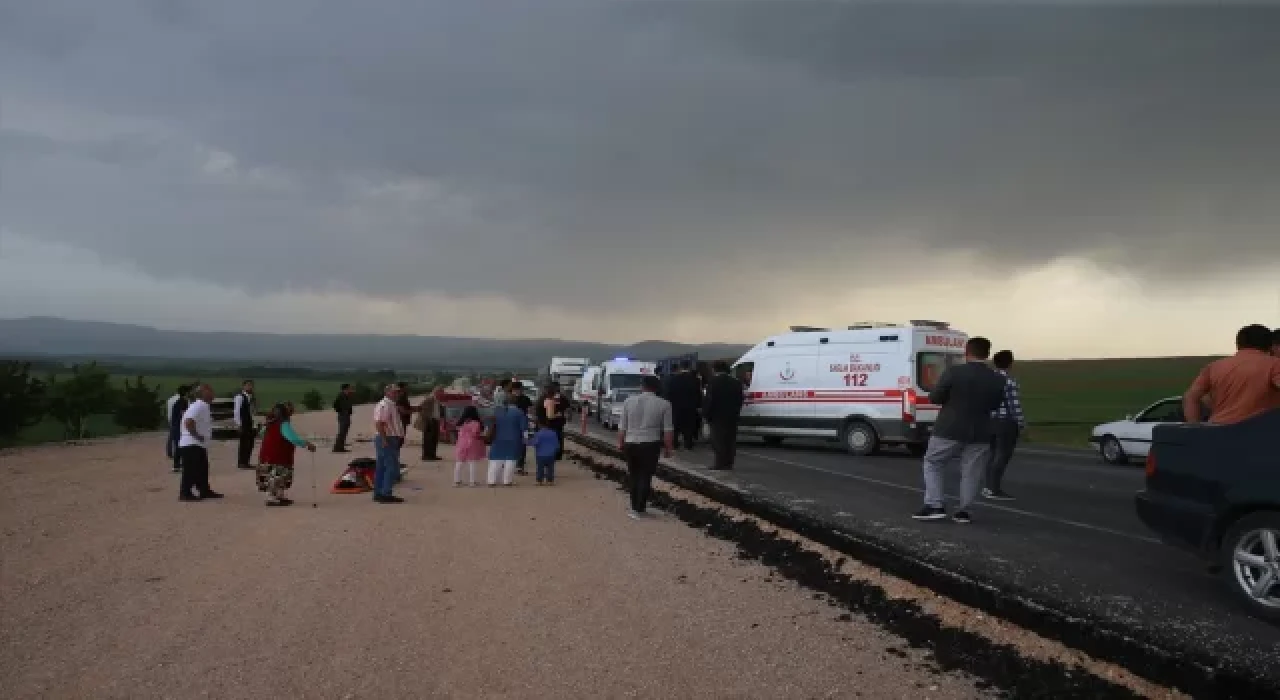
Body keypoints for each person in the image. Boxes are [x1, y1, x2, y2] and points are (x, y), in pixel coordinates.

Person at [912, 337, 1007, 524]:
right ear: (987, 353)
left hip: (949, 428)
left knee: (933, 462)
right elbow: (995, 405)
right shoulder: (998, 379)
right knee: (972, 471)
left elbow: (935, 398)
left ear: (967, 352)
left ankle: (935, 505)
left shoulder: (953, 372)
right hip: (981, 430)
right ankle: (964, 511)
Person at [1184, 324, 1280, 425]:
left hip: (1218, 428)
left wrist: (1195, 427)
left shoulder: (1214, 366)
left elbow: (1190, 397)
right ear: (1270, 345)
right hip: (1259, 429)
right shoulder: (1275, 364)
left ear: (1238, 344)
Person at [617, 374, 673, 519]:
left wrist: (620, 442)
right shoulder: (664, 404)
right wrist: (668, 448)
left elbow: (622, 426)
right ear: (657, 388)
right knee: (645, 475)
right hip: (651, 444)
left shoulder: (629, 401)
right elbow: (668, 430)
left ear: (642, 386)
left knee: (634, 475)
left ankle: (634, 507)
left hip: (631, 442)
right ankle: (640, 507)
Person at [983, 350, 1026, 502]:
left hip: (990, 421)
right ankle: (994, 488)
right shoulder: (1009, 381)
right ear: (1010, 363)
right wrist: (1021, 422)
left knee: (992, 454)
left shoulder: (988, 380)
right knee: (1003, 455)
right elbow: (1014, 405)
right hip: (1006, 422)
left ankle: (988, 486)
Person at [255, 402, 317, 506]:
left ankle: (279, 496)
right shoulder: (283, 424)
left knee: (272, 475)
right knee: (279, 476)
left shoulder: (269, 423)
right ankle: (273, 498)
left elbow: (261, 434)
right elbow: (292, 438)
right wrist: (306, 444)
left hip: (266, 454)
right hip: (279, 455)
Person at [177, 384, 224, 502]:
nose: (213, 394)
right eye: (210, 391)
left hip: (198, 444)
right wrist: (197, 436)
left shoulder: (204, 406)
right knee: (191, 469)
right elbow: (188, 422)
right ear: (203, 393)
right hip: (191, 443)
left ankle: (204, 490)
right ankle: (185, 493)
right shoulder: (199, 406)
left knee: (202, 468)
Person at [702, 361, 744, 470]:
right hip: (732, 416)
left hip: (717, 416)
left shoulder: (713, 382)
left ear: (715, 369)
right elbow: (740, 399)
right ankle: (729, 463)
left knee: (718, 440)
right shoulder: (736, 382)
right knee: (730, 440)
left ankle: (719, 463)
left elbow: (709, 400)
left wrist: (705, 414)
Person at [372, 384, 406, 503]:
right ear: (387, 392)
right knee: (391, 467)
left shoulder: (391, 404)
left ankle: (379, 493)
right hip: (387, 438)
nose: (396, 394)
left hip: (390, 438)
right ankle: (385, 494)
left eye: (397, 392)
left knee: (381, 467)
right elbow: (379, 423)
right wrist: (384, 439)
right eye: (394, 392)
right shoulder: (384, 405)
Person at [487, 393, 527, 487]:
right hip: (514, 439)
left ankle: (491, 481)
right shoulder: (519, 413)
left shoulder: (497, 411)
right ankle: (507, 481)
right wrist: (525, 439)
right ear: (516, 402)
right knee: (511, 460)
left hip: (498, 439)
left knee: (496, 460)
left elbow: (489, 424)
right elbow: (524, 428)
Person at [668, 360, 703, 450]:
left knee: (676, 425)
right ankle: (688, 443)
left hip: (676, 407)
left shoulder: (673, 379)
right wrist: (699, 406)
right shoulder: (695, 379)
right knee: (689, 425)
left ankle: (675, 443)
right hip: (690, 407)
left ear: (680, 367)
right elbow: (698, 394)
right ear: (689, 367)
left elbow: (670, 394)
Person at [452, 405, 485, 487]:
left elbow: (458, 432)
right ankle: (472, 482)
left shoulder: (461, 422)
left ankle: (456, 481)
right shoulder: (476, 423)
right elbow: (475, 434)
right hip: (472, 444)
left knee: (459, 462)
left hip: (461, 444)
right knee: (472, 463)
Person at [509, 382, 534, 474]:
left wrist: (530, 421)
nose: (518, 391)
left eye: (519, 389)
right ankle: (511, 464)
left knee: (523, 444)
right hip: (512, 425)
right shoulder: (509, 398)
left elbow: (530, 410)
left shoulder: (525, 398)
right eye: (516, 389)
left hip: (523, 425)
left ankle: (519, 465)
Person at [417, 386, 445, 462]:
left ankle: (432, 455)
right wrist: (427, 418)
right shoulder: (429, 399)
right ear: (436, 392)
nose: (442, 394)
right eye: (441, 392)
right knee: (428, 439)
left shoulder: (437, 400)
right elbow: (420, 408)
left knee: (434, 439)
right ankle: (426, 456)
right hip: (429, 421)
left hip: (436, 420)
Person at [529, 418, 560, 485]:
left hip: (541, 455)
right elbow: (557, 445)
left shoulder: (538, 434)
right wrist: (555, 451)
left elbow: (534, 443)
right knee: (550, 468)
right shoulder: (553, 433)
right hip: (551, 455)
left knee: (540, 468)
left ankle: (539, 481)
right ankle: (550, 481)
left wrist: (527, 441)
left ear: (540, 425)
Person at [234, 380, 257, 470]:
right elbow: (237, 411)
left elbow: (253, 411)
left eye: (251, 385)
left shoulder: (251, 397)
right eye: (248, 385)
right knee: (244, 443)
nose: (250, 387)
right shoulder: (240, 397)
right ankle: (242, 462)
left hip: (250, 422)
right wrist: (239, 424)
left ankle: (246, 461)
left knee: (250, 443)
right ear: (243, 387)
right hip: (243, 423)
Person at [166, 385, 190, 473]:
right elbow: (183, 414)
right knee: (182, 445)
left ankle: (178, 464)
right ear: (186, 393)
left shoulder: (179, 401)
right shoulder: (183, 402)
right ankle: (179, 464)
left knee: (179, 445)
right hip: (179, 426)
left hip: (176, 425)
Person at [332, 383, 354, 453]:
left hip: (347, 415)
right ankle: (337, 448)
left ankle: (341, 447)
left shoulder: (348, 396)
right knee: (342, 432)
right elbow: (335, 405)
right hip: (342, 416)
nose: (350, 389)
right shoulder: (341, 395)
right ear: (345, 389)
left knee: (344, 432)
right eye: (349, 388)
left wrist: (349, 412)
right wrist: (340, 411)